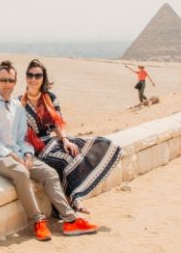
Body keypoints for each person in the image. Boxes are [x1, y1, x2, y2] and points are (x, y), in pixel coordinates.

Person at [0, 60, 98, 241]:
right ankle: (38, 221)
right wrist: (13, 155)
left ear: (15, 82)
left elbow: (23, 138)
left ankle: (70, 221)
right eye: (3, 80)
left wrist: (28, 154)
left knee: (49, 173)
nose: (7, 84)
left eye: (10, 81)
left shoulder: (18, 107)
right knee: (21, 172)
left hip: (15, 153)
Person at [21, 59, 122, 214]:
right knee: (64, 159)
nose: (33, 79)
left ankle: (73, 197)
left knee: (86, 146)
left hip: (52, 140)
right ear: (26, 77)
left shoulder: (50, 98)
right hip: (34, 147)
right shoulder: (18, 103)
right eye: (30, 75)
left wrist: (65, 140)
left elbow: (57, 124)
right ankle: (74, 200)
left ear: (43, 79)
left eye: (38, 76)